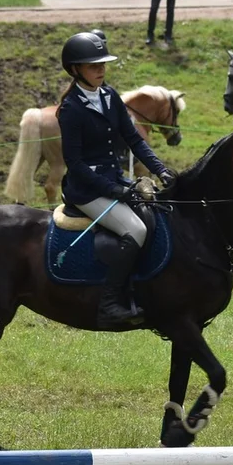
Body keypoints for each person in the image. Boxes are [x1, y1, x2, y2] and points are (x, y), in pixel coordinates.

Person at [56, 31, 177, 327]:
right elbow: (75, 164)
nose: (100, 70)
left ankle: (144, 288)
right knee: (134, 229)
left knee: (157, 215)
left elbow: (135, 140)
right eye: (93, 65)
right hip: (86, 190)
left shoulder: (109, 96)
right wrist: (114, 190)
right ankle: (109, 304)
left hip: (114, 180)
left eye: (102, 64)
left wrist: (160, 169)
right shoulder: (70, 109)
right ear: (75, 69)